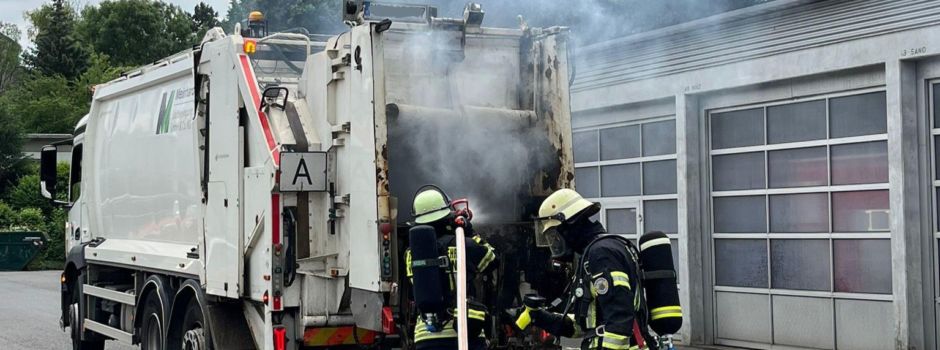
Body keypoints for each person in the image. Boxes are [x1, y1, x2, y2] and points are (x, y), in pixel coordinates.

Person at [522, 188, 657, 350]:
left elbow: (619, 322)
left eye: (554, 234)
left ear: (569, 226)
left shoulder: (601, 254)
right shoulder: (593, 253)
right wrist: (539, 317)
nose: (554, 242)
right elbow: (584, 325)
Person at [405, 185, 497, 350]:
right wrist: (470, 231)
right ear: (446, 216)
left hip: (425, 337)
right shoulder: (464, 244)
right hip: (463, 332)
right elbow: (492, 260)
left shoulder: (410, 254)